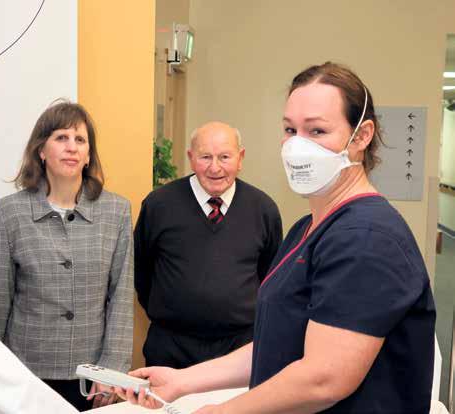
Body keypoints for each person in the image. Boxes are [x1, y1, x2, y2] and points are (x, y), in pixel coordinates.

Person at [117, 62, 436, 413]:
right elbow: (276, 344)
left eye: (317, 131)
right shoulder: (308, 228)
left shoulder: (366, 238)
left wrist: (223, 411)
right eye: (290, 130)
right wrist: (184, 380)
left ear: (361, 136)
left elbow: (323, 378)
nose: (298, 146)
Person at [0, 101, 134, 411]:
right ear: (41, 150)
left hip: (93, 379)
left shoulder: (116, 211)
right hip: (25, 375)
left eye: (80, 140)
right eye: (61, 138)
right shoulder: (7, 214)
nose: (71, 147)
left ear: (89, 155)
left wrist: (112, 371)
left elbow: (121, 297)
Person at [134, 122, 282, 369]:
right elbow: (142, 271)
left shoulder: (263, 209)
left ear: (240, 158)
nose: (215, 168)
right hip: (171, 349)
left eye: (225, 157)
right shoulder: (158, 205)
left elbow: (271, 277)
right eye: (205, 157)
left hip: (240, 350)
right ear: (191, 158)